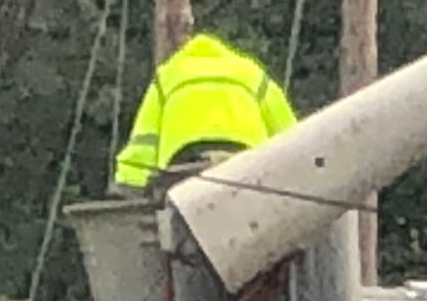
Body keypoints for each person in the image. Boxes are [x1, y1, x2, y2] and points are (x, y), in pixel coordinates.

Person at [112, 32, 297, 196]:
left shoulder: (168, 77)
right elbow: (290, 134)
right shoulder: (250, 73)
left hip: (183, 165)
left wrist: (129, 185)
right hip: (245, 161)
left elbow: (143, 143)